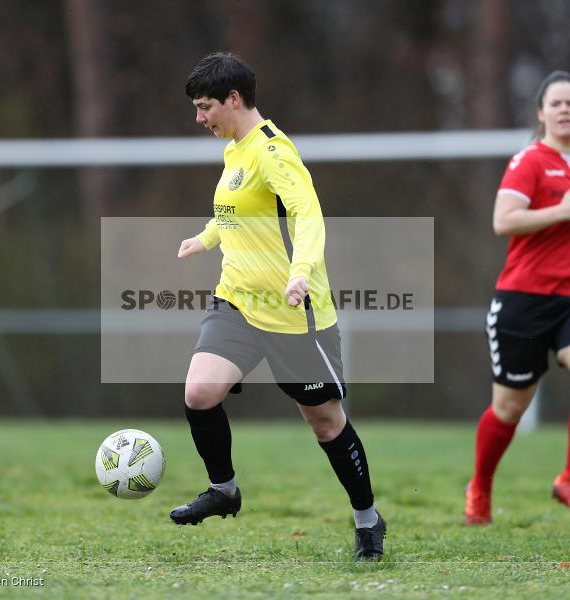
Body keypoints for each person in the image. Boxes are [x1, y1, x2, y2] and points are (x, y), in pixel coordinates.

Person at [170, 52, 385, 560]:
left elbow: (308, 215)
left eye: (205, 107)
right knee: (200, 392)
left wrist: (300, 272)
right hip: (237, 302)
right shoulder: (234, 150)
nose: (200, 118)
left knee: (325, 424)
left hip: (295, 313)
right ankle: (224, 490)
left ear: (235, 99)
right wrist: (204, 238)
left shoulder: (274, 151)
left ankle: (367, 520)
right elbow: (234, 214)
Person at [464, 71, 570, 527]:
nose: (565, 110)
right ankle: (481, 487)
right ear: (542, 113)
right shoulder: (528, 161)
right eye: (557, 103)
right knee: (510, 408)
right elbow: (503, 221)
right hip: (523, 301)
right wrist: (563, 212)